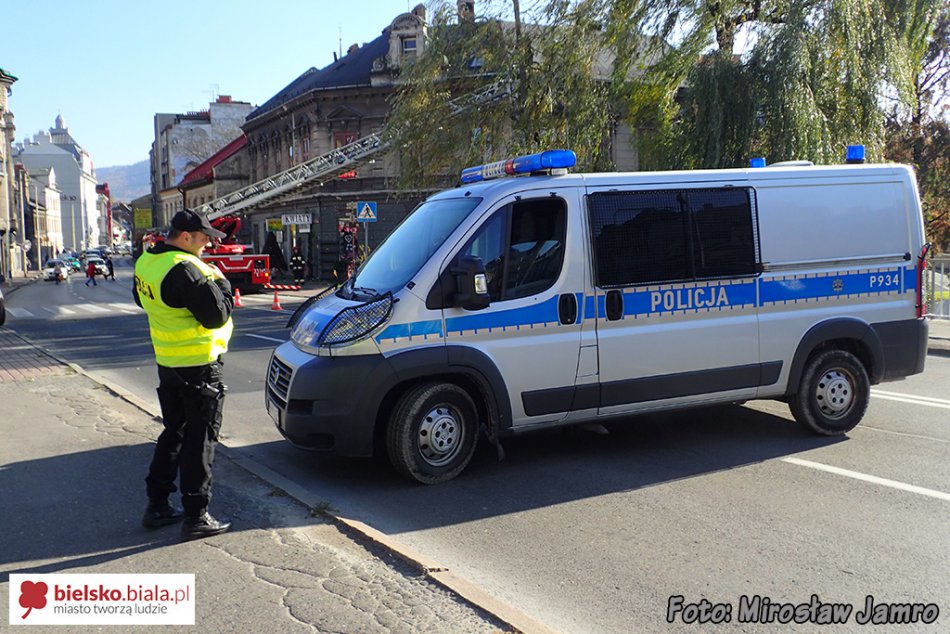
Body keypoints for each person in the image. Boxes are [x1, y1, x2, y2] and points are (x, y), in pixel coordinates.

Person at [133, 208, 234, 541]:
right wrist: (221, 281)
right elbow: (216, 316)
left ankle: (158, 504)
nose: (208, 246)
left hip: (169, 363)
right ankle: (196, 515)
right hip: (200, 364)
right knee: (200, 439)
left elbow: (140, 299)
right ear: (186, 237)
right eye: (204, 239)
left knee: (174, 431)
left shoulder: (148, 261)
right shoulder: (186, 270)